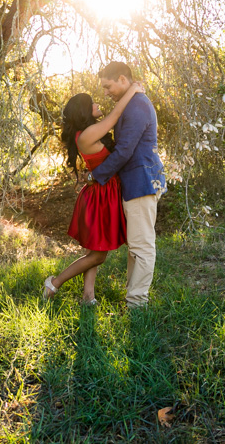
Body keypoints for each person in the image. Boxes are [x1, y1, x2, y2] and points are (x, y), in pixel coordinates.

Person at [43, 81, 144, 305]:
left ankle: (88, 296)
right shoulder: (87, 134)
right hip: (100, 197)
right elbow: (116, 114)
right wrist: (133, 90)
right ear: (84, 110)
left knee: (94, 252)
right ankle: (54, 283)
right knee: (98, 255)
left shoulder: (86, 132)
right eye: (92, 103)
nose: (98, 103)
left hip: (102, 194)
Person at [87, 62, 165, 308]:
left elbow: (124, 151)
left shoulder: (138, 106)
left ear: (122, 79)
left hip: (142, 181)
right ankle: (133, 297)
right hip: (135, 182)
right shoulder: (131, 103)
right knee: (136, 245)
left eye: (108, 86)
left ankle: (137, 304)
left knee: (142, 245)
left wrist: (96, 175)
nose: (106, 92)